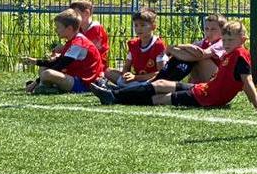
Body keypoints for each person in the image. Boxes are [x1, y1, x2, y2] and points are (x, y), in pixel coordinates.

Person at [91, 20, 254, 110]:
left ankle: (114, 97)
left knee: (159, 99)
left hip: (207, 98)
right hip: (204, 89)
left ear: (243, 40)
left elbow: (247, 82)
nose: (226, 43)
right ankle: (115, 92)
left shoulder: (240, 54)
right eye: (224, 40)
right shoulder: (231, 53)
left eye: (230, 40)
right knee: (161, 83)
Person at [23, 8, 102, 94]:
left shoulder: (78, 43)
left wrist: (35, 82)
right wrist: (36, 62)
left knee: (47, 73)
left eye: (58, 27)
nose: (56, 30)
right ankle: (45, 87)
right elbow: (58, 62)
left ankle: (43, 87)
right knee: (44, 68)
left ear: (69, 29)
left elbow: (60, 65)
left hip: (84, 84)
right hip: (75, 78)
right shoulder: (73, 40)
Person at [103, 9, 166, 87]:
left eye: (142, 25)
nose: (138, 28)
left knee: (156, 83)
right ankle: (132, 88)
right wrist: (125, 75)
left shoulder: (158, 45)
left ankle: (133, 89)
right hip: (135, 80)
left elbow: (162, 73)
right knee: (108, 72)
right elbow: (126, 66)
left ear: (153, 26)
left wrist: (136, 77)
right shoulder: (133, 44)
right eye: (136, 25)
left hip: (150, 81)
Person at [156, 14, 225, 83]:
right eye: (206, 29)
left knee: (198, 57)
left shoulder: (221, 43)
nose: (209, 32)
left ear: (222, 31)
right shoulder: (205, 41)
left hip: (217, 81)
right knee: (189, 54)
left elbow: (202, 54)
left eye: (213, 29)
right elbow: (189, 50)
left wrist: (174, 48)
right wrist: (172, 50)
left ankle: (166, 81)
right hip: (201, 78)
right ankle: (164, 80)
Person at [70, 0, 110, 74]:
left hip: (95, 68)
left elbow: (86, 51)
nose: (72, 18)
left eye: (75, 14)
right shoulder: (80, 30)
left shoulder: (95, 29)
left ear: (86, 13)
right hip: (83, 65)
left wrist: (64, 49)